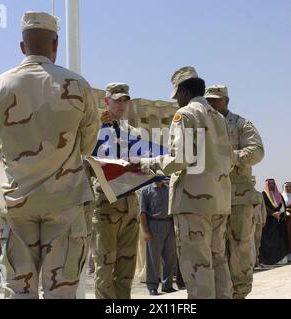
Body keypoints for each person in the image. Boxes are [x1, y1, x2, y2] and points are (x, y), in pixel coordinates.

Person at [0, 12, 100, 299]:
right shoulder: (78, 85)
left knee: (18, 290)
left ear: (22, 46)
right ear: (55, 44)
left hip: (16, 199)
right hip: (65, 199)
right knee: (61, 290)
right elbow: (87, 143)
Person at [135, 66, 234, 299]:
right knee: (218, 262)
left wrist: (148, 163)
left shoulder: (186, 115)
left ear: (184, 92)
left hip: (193, 203)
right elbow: (229, 160)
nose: (176, 101)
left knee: (197, 267)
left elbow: (180, 158)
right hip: (219, 201)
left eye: (177, 95)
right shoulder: (219, 117)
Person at [205, 84, 264, 299]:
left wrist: (231, 157)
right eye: (208, 100)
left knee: (240, 249)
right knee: (215, 250)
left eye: (216, 100)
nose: (211, 104)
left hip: (238, 198)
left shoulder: (241, 124)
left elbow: (257, 151)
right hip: (211, 198)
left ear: (226, 101)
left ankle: (239, 294)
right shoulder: (204, 125)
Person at [91, 83, 140, 299]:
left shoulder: (133, 132)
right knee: (105, 266)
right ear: (106, 100)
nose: (122, 105)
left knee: (126, 269)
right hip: (105, 205)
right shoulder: (93, 129)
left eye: (125, 100)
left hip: (130, 205)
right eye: (117, 100)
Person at [140, 178, 178, 295]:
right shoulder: (146, 190)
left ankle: (167, 285)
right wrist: (146, 231)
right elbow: (142, 212)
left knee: (169, 257)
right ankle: (152, 286)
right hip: (154, 224)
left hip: (169, 223)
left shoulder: (169, 189)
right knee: (153, 258)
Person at [259, 179, 289, 265]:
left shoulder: (279, 194)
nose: (271, 185)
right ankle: (269, 260)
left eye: (273, 183)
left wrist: (280, 213)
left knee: (279, 241)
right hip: (269, 222)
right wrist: (272, 214)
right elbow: (263, 207)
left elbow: (283, 205)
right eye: (270, 183)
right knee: (269, 242)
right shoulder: (263, 195)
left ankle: (280, 259)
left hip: (279, 222)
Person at [251, 176, 267, 268]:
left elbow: (263, 208)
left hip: (258, 221)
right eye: (251, 181)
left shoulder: (259, 194)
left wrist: (264, 219)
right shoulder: (247, 194)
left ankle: (256, 261)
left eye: (254, 181)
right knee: (249, 242)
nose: (253, 182)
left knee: (257, 242)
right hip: (249, 221)